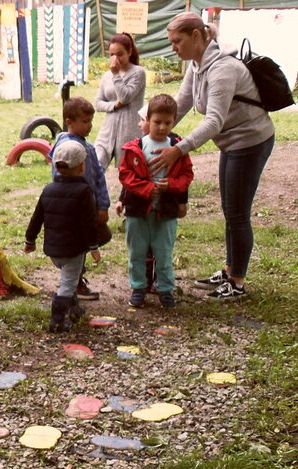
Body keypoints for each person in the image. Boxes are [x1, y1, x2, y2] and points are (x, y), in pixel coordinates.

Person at [150, 11, 275, 301]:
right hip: (232, 143)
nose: (173, 47)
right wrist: (149, 127)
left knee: (238, 213)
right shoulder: (197, 65)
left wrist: (178, 149)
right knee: (230, 208)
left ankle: (237, 282)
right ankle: (230, 269)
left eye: (177, 41)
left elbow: (214, 121)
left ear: (196, 36)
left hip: (250, 141)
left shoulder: (222, 69)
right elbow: (181, 104)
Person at [119, 94, 195, 309]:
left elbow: (187, 175)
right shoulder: (135, 147)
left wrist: (170, 185)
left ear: (174, 121)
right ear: (148, 120)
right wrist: (146, 189)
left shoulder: (178, 148)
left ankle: (165, 289)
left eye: (167, 123)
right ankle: (138, 287)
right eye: (157, 122)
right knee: (137, 252)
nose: (162, 127)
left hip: (166, 211)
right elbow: (125, 174)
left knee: (163, 252)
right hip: (137, 210)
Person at [26, 140, 101, 332]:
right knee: (68, 283)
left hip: (53, 250)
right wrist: (94, 247)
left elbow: (37, 217)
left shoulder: (48, 189)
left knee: (70, 278)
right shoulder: (83, 191)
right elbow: (88, 223)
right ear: (82, 166)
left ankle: (74, 310)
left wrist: (30, 240)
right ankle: (57, 321)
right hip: (73, 250)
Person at [49, 96, 110, 302]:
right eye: (85, 121)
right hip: (72, 209)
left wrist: (102, 205)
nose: (89, 126)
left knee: (89, 240)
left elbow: (98, 177)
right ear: (69, 122)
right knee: (75, 245)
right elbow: (58, 180)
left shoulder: (88, 147)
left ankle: (74, 281)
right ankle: (73, 283)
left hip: (88, 206)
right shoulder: (64, 148)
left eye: (90, 121)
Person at [94, 32, 147, 170]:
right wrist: (114, 105)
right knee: (96, 165)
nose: (115, 59)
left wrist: (116, 75)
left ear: (129, 52)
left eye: (120, 54)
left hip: (129, 130)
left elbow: (125, 97)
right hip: (108, 129)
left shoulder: (138, 72)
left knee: (128, 170)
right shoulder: (106, 76)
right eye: (112, 54)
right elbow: (98, 103)